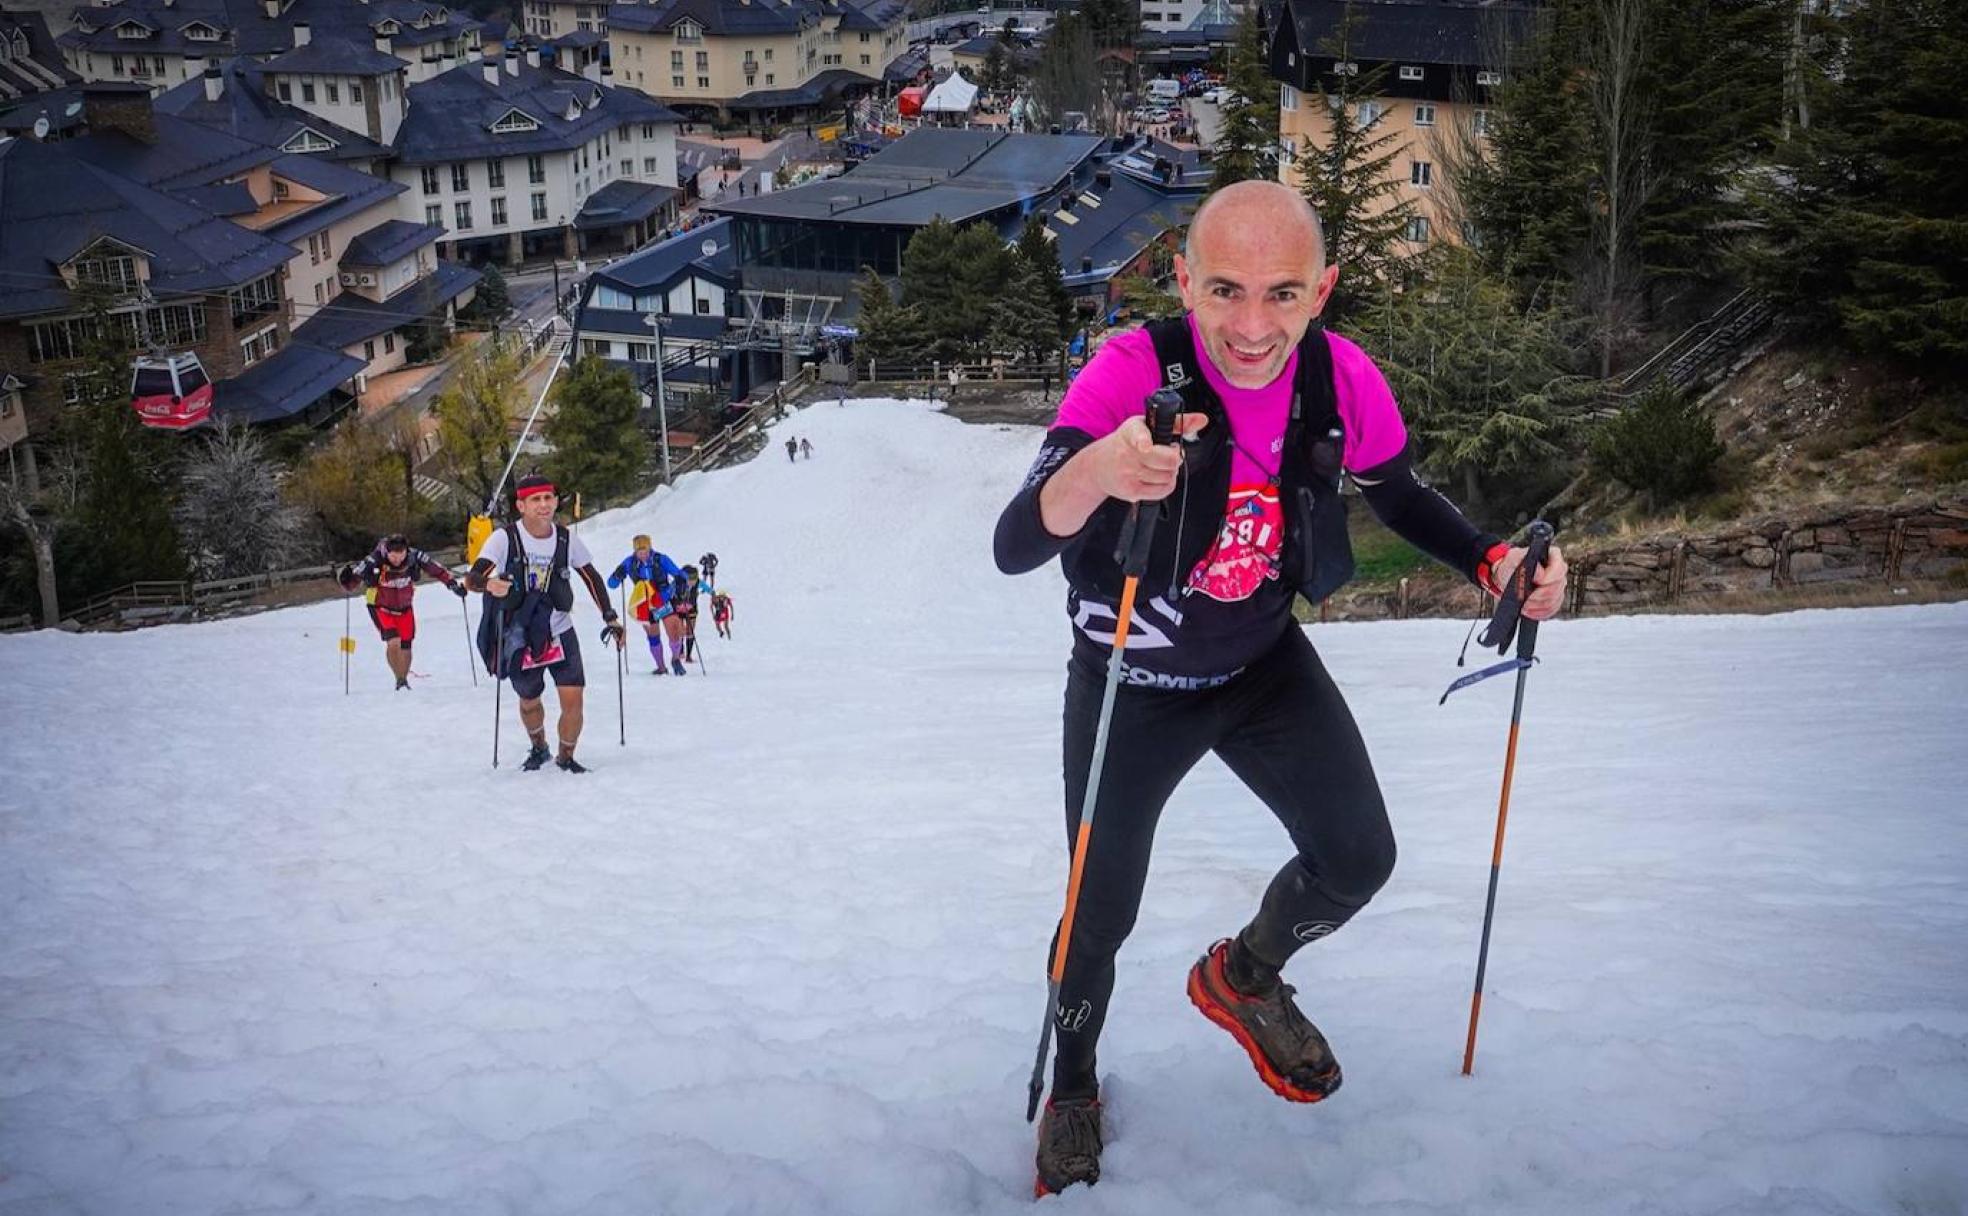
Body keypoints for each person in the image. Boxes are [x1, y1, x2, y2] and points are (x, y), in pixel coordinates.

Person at [991, 180, 1568, 1195]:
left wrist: (1494, 564)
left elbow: (1401, 492)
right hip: (1132, 676)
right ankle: (1074, 1084)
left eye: (1282, 293)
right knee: (1098, 912)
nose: (1252, 325)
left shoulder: (1339, 378)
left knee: (1359, 857)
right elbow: (1015, 543)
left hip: (1260, 662)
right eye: (1224, 290)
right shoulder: (1132, 371)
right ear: (1181, 280)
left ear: (1323, 290)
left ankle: (1244, 973)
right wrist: (1103, 471)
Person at [467, 474, 626, 773]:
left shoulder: (565, 538)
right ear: (521, 505)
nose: (543, 505)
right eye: (536, 500)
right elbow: (472, 579)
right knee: (529, 700)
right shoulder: (505, 538)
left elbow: (590, 577)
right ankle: (539, 746)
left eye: (548, 498)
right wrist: (489, 585)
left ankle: (566, 757)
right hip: (521, 634)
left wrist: (610, 616)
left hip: (560, 630)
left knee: (574, 699)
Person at [338, 533, 466, 691]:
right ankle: (398, 678)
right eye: (393, 557)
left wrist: (452, 584)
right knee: (393, 641)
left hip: (405, 607)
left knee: (406, 645)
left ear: (406, 551)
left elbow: (436, 569)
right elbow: (353, 580)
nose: (397, 560)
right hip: (381, 606)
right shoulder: (374, 559)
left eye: (401, 555)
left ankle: (403, 680)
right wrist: (346, 580)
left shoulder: (415, 556)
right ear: (387, 552)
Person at [606, 534, 684, 674]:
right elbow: (611, 584)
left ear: (650, 548)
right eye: (639, 552)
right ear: (635, 551)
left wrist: (680, 581)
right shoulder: (630, 563)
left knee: (673, 630)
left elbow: (678, 573)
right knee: (653, 636)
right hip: (645, 604)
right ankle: (661, 667)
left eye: (645, 551)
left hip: (663, 599)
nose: (643, 555)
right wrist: (618, 575)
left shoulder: (661, 559)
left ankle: (676, 659)